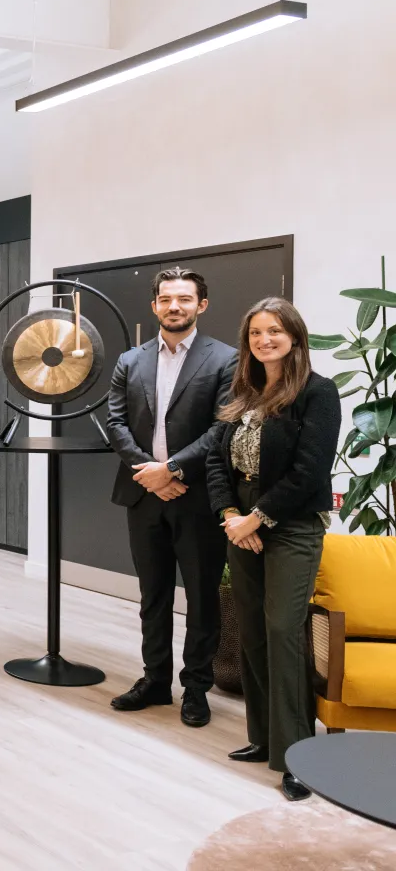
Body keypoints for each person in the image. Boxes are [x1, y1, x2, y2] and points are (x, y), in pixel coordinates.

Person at [207, 297, 338, 802]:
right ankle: (261, 737)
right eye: (256, 332)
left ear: (295, 336)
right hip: (240, 521)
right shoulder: (242, 393)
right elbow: (218, 462)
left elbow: (310, 472)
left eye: (275, 331)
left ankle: (296, 756)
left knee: (284, 629)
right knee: (254, 632)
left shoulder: (317, 393)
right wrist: (230, 518)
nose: (265, 340)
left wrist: (257, 518)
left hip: (291, 524)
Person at [106, 268, 238, 728]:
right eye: (166, 299)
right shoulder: (130, 360)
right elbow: (116, 423)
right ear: (155, 305)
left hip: (196, 495)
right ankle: (155, 680)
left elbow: (223, 429)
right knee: (153, 595)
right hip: (144, 495)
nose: (174, 306)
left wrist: (173, 470)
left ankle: (196, 688)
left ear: (201, 304)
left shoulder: (226, 360)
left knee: (202, 598)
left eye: (184, 299)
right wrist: (151, 474)